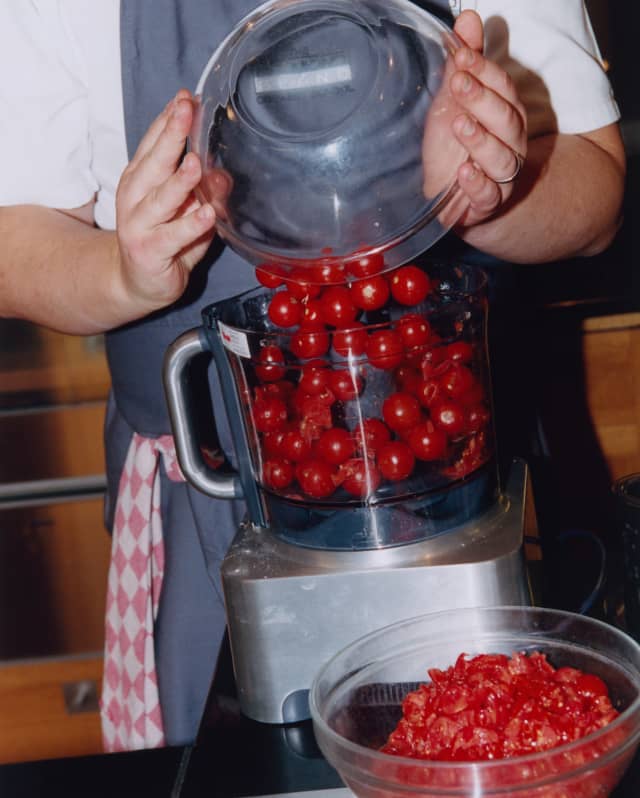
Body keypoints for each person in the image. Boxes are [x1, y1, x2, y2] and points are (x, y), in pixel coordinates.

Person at [0, 0, 625, 752]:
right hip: (210, 503)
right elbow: (16, 233)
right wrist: (121, 274)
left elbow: (595, 186)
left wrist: (486, 201)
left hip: (468, 486)